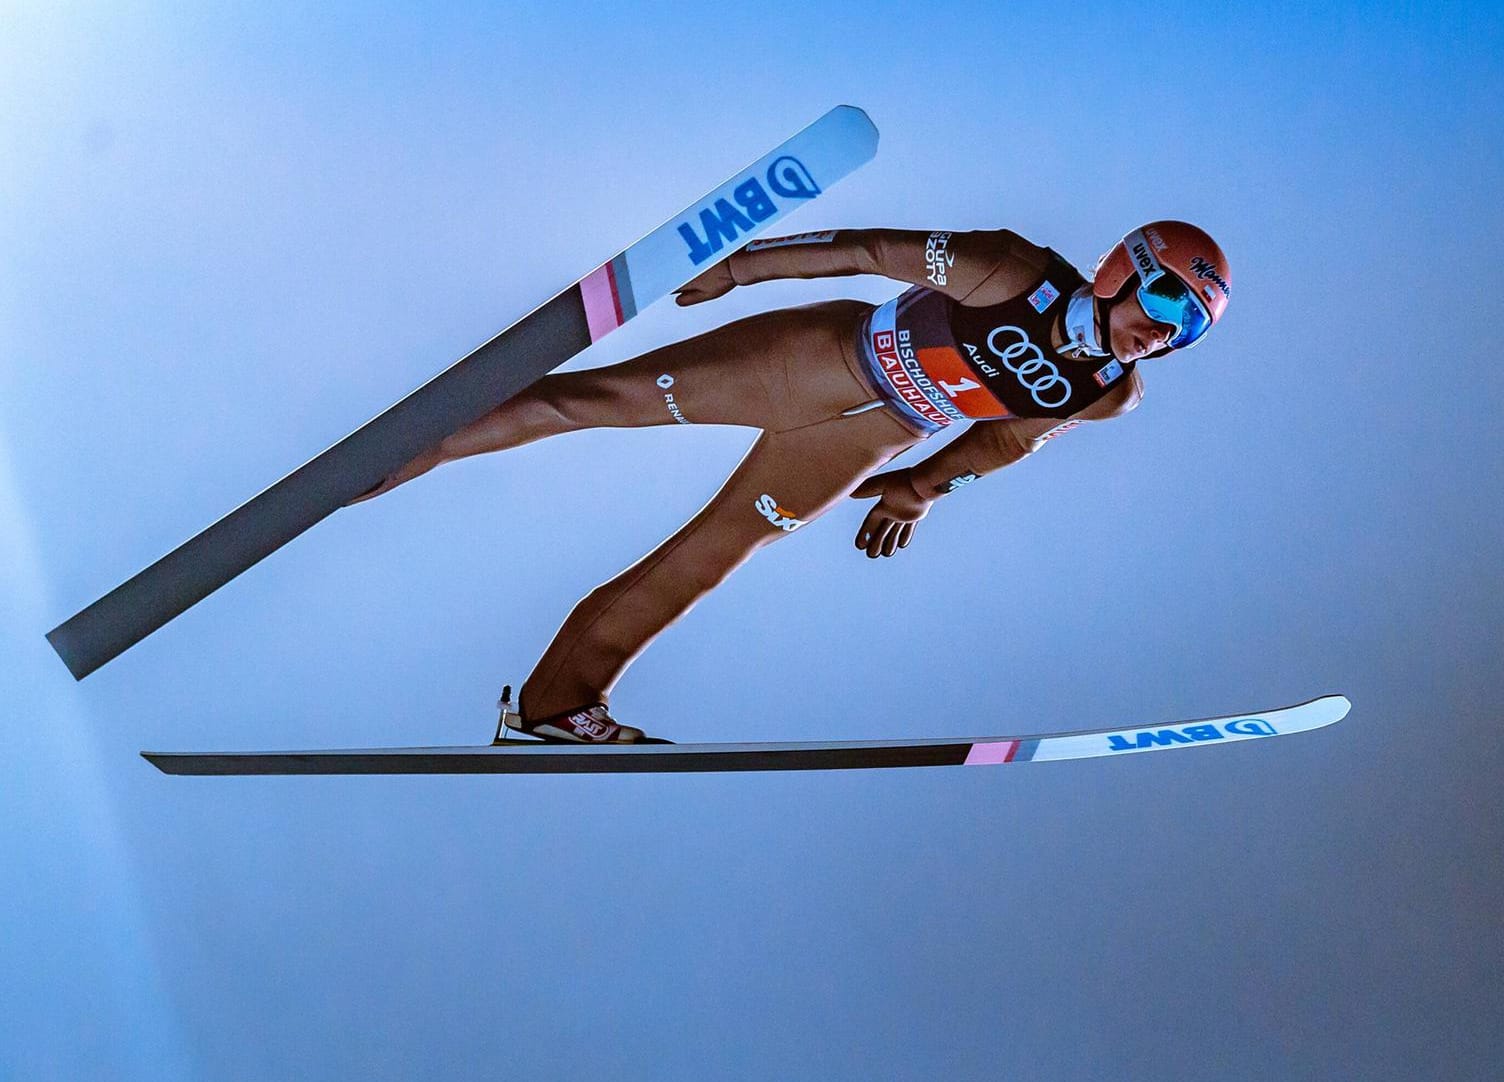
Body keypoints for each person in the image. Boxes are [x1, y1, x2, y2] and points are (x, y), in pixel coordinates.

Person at [352, 222, 1233, 743]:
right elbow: (868, 248)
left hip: (871, 439)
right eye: (1163, 307)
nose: (1161, 336)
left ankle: (559, 702)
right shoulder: (1013, 270)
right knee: (598, 402)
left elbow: (1011, 441)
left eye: (1184, 333)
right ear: (1127, 269)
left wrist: (920, 487)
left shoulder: (1111, 393)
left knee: (712, 556)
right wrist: (738, 267)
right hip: (816, 361)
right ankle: (398, 456)